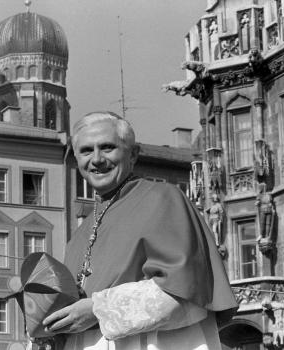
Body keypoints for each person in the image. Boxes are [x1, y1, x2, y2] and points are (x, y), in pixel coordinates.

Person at [42, 112, 237, 350]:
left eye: (107, 147)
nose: (97, 159)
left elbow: (184, 296)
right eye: (86, 151)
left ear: (132, 154)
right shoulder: (80, 233)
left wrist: (98, 310)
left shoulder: (163, 198)